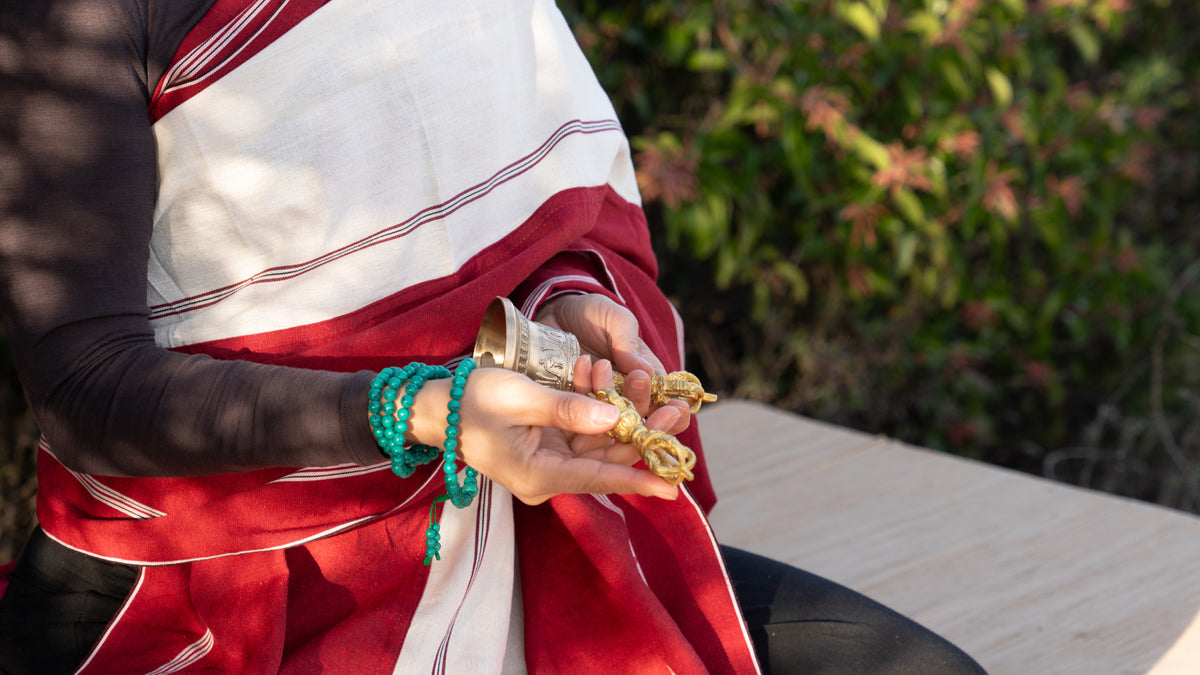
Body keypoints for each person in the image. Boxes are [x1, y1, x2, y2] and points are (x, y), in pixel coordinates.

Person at [0, 1, 986, 673]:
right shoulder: (82, 16)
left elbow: (522, 221)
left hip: (510, 527)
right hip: (229, 598)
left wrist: (559, 307)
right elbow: (92, 392)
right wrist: (418, 409)